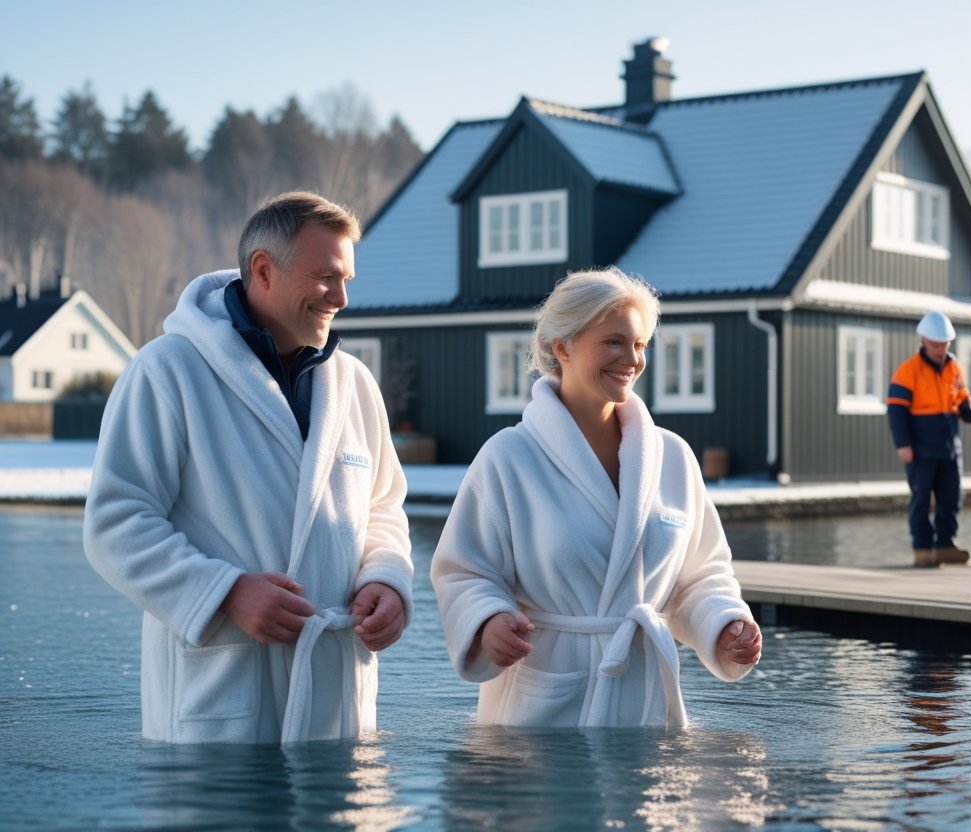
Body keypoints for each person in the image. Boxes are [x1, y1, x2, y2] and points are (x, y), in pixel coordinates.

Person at [84, 191, 413, 744]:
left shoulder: (354, 384)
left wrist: (387, 580)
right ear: (264, 270)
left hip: (337, 714)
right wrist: (224, 593)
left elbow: (383, 508)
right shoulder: (169, 372)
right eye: (327, 276)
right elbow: (114, 524)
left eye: (347, 278)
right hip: (217, 712)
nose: (342, 297)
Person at [430, 267, 762, 728]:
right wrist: (488, 622)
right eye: (614, 342)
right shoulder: (510, 457)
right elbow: (463, 571)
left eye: (640, 344)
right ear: (561, 346)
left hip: (643, 707)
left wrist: (723, 623)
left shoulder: (671, 457)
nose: (632, 358)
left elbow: (701, 575)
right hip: (541, 711)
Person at [886, 311, 971, 568]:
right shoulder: (908, 371)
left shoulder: (955, 368)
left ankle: (945, 546)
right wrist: (903, 445)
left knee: (951, 498)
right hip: (920, 449)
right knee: (921, 500)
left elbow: (961, 399)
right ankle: (923, 550)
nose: (939, 349)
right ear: (923, 340)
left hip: (949, 446)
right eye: (935, 344)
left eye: (944, 344)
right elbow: (896, 410)